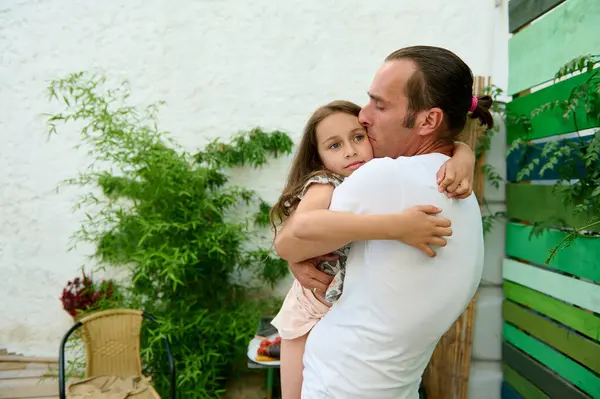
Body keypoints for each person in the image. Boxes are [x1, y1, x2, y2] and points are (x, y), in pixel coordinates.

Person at [274, 46, 491, 398]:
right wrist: (462, 151)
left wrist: (298, 256)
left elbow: (289, 240)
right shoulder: (462, 194)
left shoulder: (386, 177)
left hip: (338, 385)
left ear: (428, 121)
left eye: (380, 104)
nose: (363, 115)